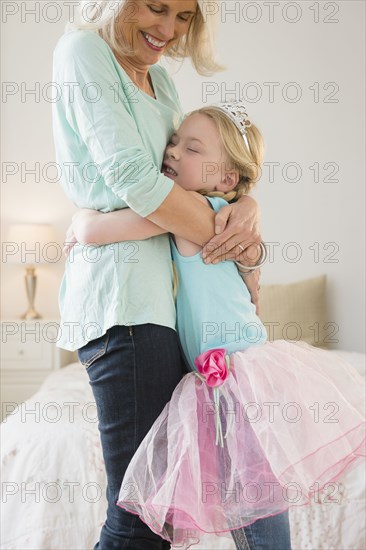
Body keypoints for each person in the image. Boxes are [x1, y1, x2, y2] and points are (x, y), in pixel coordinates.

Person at [70, 103, 365, 550]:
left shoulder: (194, 213)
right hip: (227, 377)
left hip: (237, 377)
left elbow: (97, 232)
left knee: (257, 504)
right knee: (251, 500)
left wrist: (80, 220)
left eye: (191, 148)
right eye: (173, 141)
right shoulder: (214, 213)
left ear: (225, 180)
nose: (171, 152)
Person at [53, 1, 272, 549]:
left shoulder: (160, 84)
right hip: (124, 304)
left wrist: (246, 207)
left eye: (183, 17)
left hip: (164, 314)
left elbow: (183, 185)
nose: (169, 29)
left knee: (164, 519)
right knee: (139, 519)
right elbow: (135, 179)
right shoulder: (84, 50)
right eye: (157, 8)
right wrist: (229, 225)